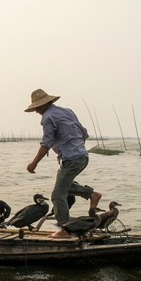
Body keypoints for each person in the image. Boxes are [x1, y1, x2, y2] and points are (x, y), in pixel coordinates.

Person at [25, 88, 101, 238]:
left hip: (72, 159)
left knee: (57, 195)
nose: (36, 111)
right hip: (82, 156)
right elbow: (83, 133)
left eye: (37, 108)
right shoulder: (67, 111)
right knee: (63, 187)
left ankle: (65, 230)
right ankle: (92, 194)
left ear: (44, 105)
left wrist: (34, 163)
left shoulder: (48, 118)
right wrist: (75, 147)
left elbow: (46, 143)